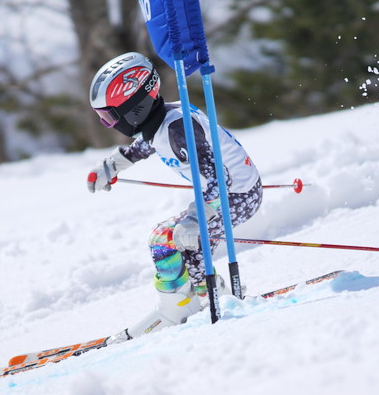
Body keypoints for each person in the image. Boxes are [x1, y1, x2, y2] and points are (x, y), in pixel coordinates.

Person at [86, 52, 262, 341]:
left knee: (163, 238)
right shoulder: (162, 122)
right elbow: (143, 147)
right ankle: (216, 297)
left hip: (237, 194)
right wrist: (110, 166)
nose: (108, 124)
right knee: (187, 247)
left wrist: (196, 218)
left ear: (133, 107)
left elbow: (220, 178)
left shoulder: (179, 129)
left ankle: (175, 311)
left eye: (108, 117)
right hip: (227, 194)